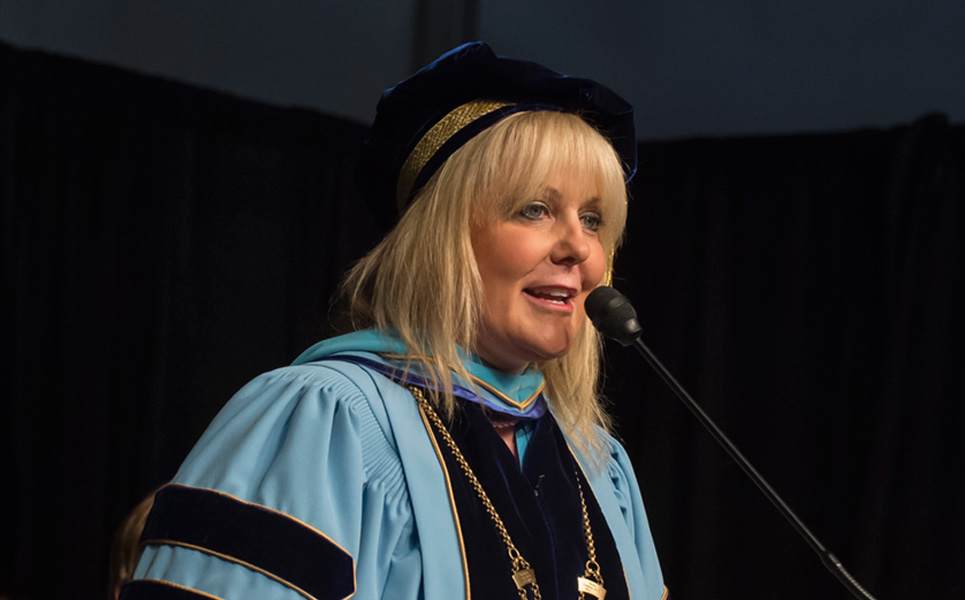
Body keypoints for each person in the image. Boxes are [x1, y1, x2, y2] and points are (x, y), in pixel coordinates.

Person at [120, 42, 667, 600]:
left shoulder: (600, 470)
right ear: (442, 240)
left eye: (594, 219)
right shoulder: (323, 423)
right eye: (535, 209)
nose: (578, 246)